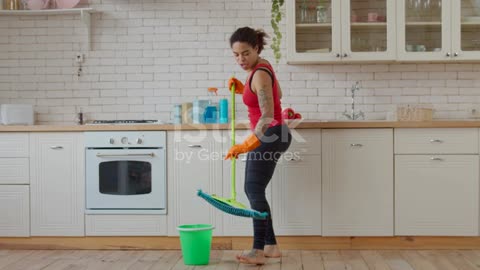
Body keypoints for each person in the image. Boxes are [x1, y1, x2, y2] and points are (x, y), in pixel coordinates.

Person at [225, 26, 292, 265]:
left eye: (245, 53)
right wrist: (245, 89)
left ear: (256, 48)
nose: (240, 59)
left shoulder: (260, 73)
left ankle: (258, 249)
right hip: (275, 134)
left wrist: (245, 145)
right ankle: (271, 246)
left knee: (253, 189)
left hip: (270, 134)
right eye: (236, 54)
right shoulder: (262, 67)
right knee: (254, 189)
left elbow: (268, 115)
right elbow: (278, 93)